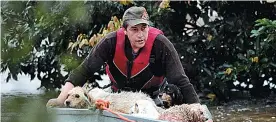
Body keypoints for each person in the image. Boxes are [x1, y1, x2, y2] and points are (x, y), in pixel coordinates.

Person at [47, 6, 200, 107]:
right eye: (134, 29)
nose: (140, 35)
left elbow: (181, 81)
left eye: (144, 28)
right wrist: (60, 100)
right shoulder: (110, 42)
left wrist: (201, 114)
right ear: (125, 30)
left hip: (150, 102)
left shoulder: (161, 44)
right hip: (118, 100)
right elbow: (83, 72)